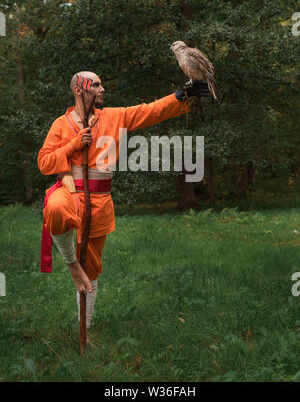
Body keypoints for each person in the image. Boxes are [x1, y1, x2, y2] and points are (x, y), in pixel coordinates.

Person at [37, 71, 209, 343]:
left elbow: (150, 111)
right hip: (70, 194)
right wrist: (72, 144)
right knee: (56, 207)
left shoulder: (113, 117)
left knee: (91, 270)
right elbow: (45, 162)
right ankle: (71, 265)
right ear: (79, 90)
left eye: (101, 83)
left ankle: (85, 332)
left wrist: (181, 95)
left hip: (100, 203)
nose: (102, 88)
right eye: (95, 84)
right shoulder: (61, 124)